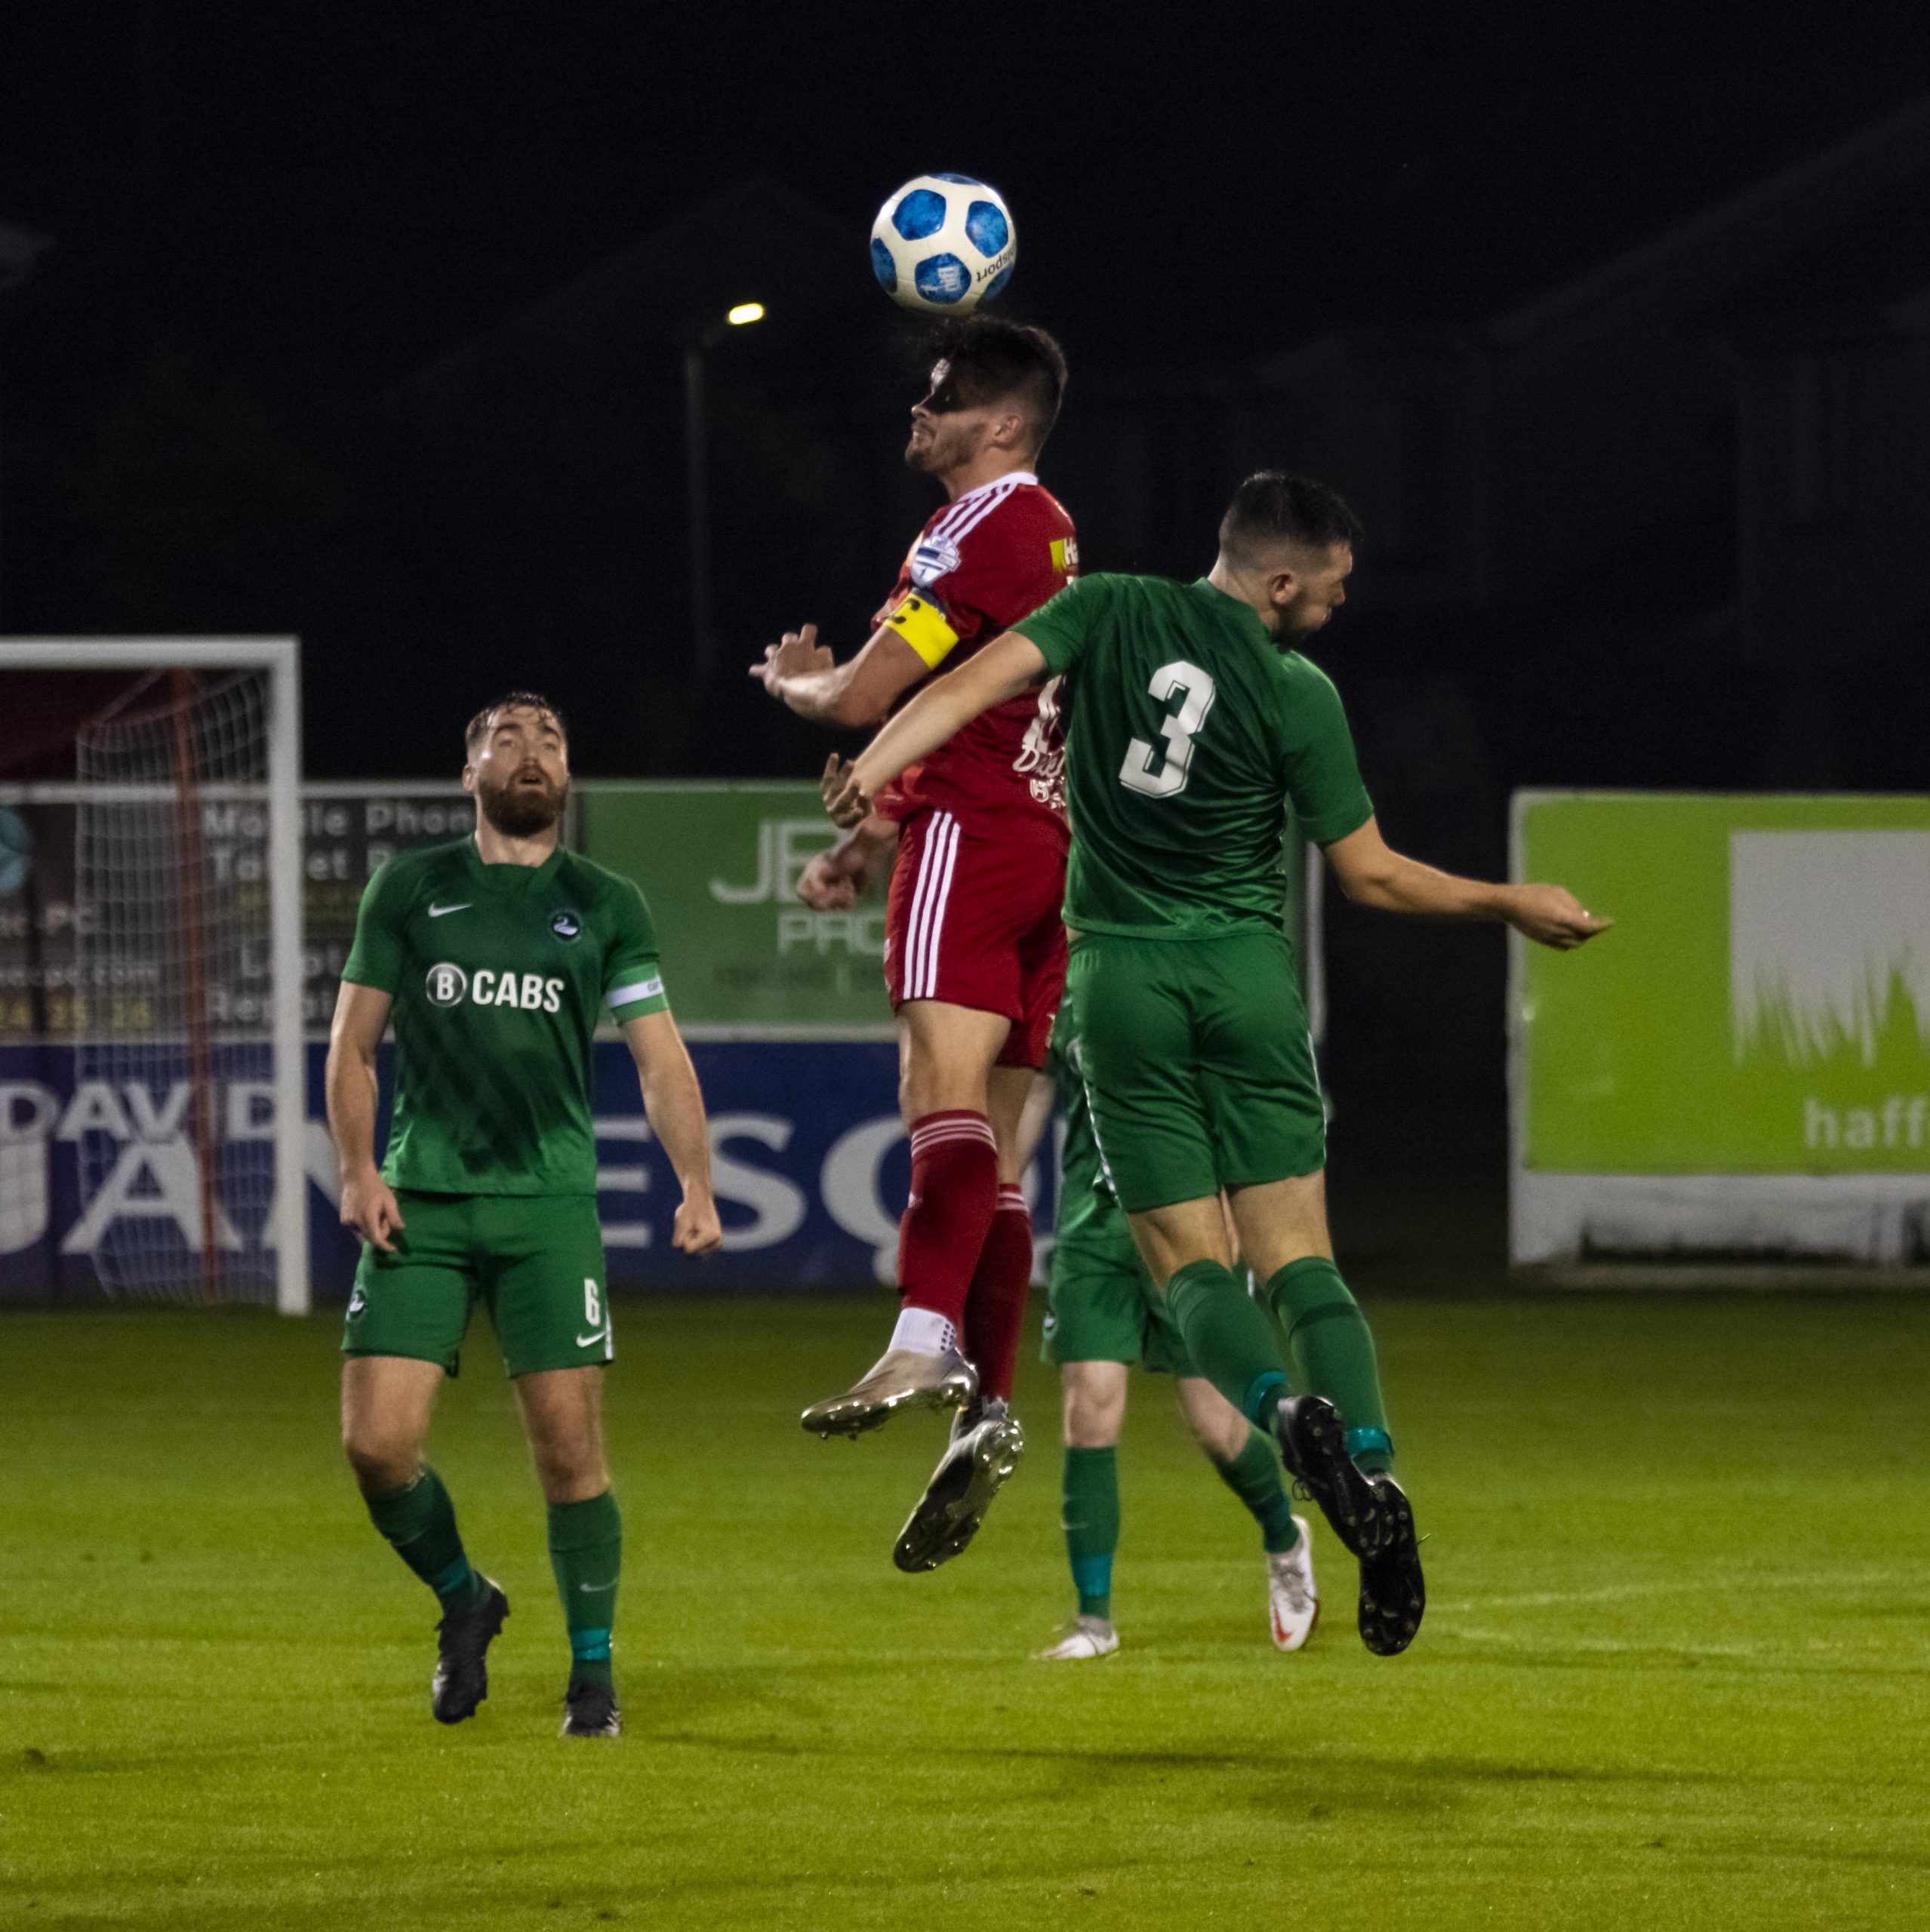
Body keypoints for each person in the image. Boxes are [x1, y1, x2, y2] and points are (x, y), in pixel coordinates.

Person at [824, 472, 1611, 1655]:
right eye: (1332, 590)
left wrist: (870, 773)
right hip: (1244, 978)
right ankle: (1372, 1468)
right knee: (1299, 1259)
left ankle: (1283, 1415)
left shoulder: (1104, 608)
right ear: (1279, 582)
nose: (1337, 608)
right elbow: (1372, 875)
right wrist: (1507, 903)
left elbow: (964, 686)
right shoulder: (1298, 692)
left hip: (1121, 987)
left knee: (1188, 1269)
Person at [327, 694, 722, 1738]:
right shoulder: (410, 888)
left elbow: (659, 1055)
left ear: (567, 773)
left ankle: (592, 1677)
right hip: (423, 1202)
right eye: (507, 739)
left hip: (547, 1207)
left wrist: (694, 1181)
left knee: (570, 1454)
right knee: (376, 1447)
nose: (532, 753)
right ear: (471, 774)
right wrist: (358, 1169)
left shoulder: (604, 902)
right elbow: (353, 1045)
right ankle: (466, 1597)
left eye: (550, 739)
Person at [756, 316, 1077, 1571]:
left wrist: (793, 684)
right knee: (998, 1151)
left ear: (1001, 425)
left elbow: (864, 698)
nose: (918, 410)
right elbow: (979, 707)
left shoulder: (973, 526)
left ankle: (919, 1338)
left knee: (932, 1098)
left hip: (972, 838)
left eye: (941, 396)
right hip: (1045, 848)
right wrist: (867, 837)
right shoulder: (1052, 534)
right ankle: (985, 1402)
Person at [1035, 1012, 1317, 1661]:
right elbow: (1037, 1091)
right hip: (1092, 1229)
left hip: (1190, 1225)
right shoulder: (1065, 986)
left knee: (1216, 1426)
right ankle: (1093, 1621)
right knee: (1088, 1407)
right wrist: (997, 1186)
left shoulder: (1183, 983)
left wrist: (1235, 1202)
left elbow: (1236, 1098)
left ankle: (1283, 1537)